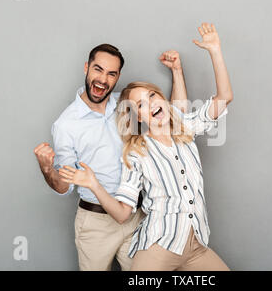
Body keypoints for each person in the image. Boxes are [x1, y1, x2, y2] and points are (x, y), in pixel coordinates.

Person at [58, 23, 233, 270]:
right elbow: (121, 214)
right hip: (161, 245)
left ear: (162, 98)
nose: (149, 104)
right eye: (139, 105)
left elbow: (223, 98)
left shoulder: (184, 129)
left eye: (151, 96)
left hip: (196, 242)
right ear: (137, 117)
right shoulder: (137, 153)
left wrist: (215, 50)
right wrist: (92, 183)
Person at [33, 43, 188, 271]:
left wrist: (177, 71)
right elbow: (63, 186)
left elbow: (173, 118)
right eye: (98, 69)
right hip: (95, 224)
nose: (103, 79)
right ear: (86, 68)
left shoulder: (126, 104)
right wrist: (47, 169)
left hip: (136, 215)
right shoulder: (66, 125)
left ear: (118, 77)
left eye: (111, 73)